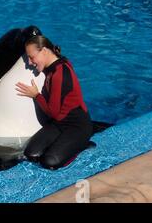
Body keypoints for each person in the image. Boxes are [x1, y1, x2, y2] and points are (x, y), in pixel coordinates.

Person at [15, 35, 93, 169]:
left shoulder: (60, 73)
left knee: (50, 162)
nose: (29, 62)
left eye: (31, 57)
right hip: (58, 124)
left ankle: (81, 145)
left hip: (77, 126)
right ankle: (65, 145)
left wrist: (36, 96)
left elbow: (54, 113)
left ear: (44, 51)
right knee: (31, 154)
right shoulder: (52, 67)